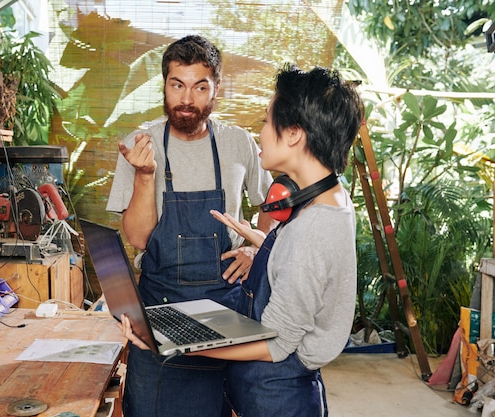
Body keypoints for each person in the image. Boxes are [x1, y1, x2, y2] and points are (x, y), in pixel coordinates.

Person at [120, 64, 364, 417]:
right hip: (266, 389)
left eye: (266, 121)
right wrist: (266, 244)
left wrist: (168, 341)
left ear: (294, 134)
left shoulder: (312, 229)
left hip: (278, 393)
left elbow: (275, 343)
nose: (260, 132)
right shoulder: (328, 199)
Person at [106, 35, 275, 417]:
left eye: (200, 86)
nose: (187, 99)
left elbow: (271, 208)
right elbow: (138, 238)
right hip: (159, 311)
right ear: (164, 85)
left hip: (226, 311)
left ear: (217, 88)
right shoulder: (139, 144)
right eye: (176, 85)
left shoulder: (239, 143)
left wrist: (256, 249)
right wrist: (145, 176)